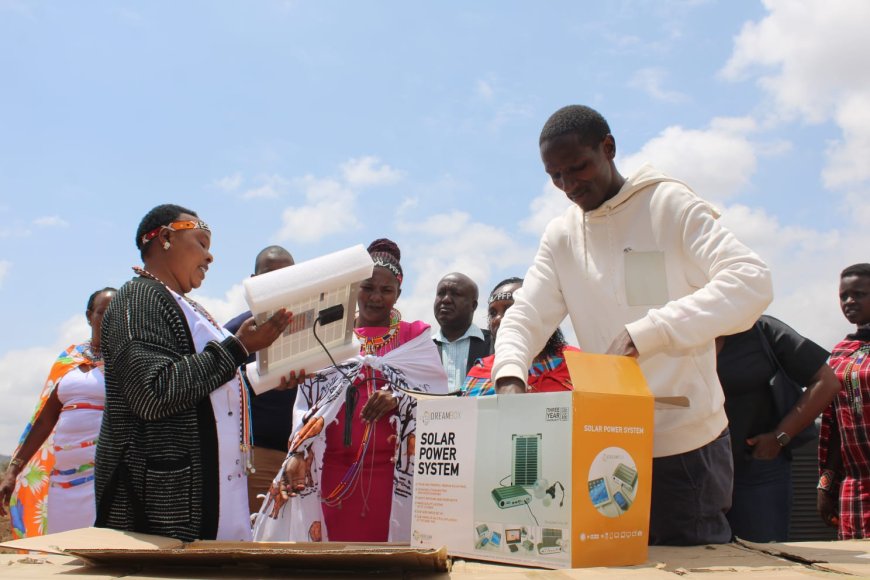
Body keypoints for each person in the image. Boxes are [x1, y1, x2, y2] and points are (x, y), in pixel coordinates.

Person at [492, 105, 773, 545]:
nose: (568, 185)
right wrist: (509, 373)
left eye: (578, 167)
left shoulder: (668, 204)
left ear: (608, 147)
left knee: (696, 569)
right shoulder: (562, 235)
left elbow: (751, 282)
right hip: (606, 446)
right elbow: (526, 314)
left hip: (686, 446)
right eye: (556, 176)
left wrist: (650, 331)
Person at [94, 204, 296, 542]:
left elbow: (209, 386)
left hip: (202, 499)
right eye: (201, 243)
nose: (210, 257)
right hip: (158, 510)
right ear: (167, 238)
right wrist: (238, 347)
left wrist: (270, 377)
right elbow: (153, 392)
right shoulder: (139, 298)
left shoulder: (180, 304)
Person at [253, 238, 448, 543]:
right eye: (368, 287)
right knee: (333, 561)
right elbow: (308, 401)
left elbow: (437, 397)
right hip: (331, 470)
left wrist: (398, 397)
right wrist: (297, 451)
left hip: (394, 478)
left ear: (398, 293)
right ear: (354, 287)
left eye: (387, 290)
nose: (375, 297)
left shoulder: (415, 338)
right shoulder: (329, 333)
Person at [0, 288, 116, 538]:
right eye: (102, 313)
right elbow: (43, 421)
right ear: (89, 316)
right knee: (61, 552)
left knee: (98, 551)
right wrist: (13, 471)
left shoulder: (126, 361)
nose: (108, 320)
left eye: (115, 315)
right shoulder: (68, 359)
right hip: (62, 480)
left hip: (105, 478)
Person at [717, 315, 839, 542]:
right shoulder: (677, 332)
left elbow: (827, 381)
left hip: (755, 470)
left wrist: (780, 436)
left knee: (760, 565)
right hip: (696, 473)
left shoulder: (762, 329)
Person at [224, 245, 298, 514]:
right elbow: (216, 386)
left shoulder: (312, 324)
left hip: (304, 458)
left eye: (287, 276)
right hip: (257, 458)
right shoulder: (236, 332)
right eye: (270, 277)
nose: (279, 285)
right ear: (254, 282)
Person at [818, 263, 870, 539]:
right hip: (855, 485)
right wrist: (826, 485)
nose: (849, 301)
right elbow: (835, 425)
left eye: (859, 294)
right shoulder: (841, 352)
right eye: (844, 296)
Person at [463, 277, 580, 396]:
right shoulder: (481, 371)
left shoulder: (578, 362)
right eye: (493, 313)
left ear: (539, 312)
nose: (498, 319)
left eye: (511, 310)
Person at [433, 272, 492, 392]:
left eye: (456, 294)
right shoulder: (423, 348)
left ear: (473, 305)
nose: (446, 299)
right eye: (441, 293)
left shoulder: (495, 344)